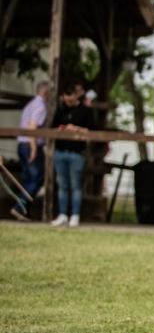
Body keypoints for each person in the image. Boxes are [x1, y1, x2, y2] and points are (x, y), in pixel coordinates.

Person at [51, 83, 96, 227]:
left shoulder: (85, 111)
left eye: (70, 100)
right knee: (62, 184)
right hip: (60, 151)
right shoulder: (61, 109)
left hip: (76, 152)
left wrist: (76, 129)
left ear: (76, 96)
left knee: (75, 185)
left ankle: (75, 215)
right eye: (66, 100)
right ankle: (62, 214)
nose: (68, 103)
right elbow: (53, 126)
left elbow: (93, 130)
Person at [12, 81, 51, 221]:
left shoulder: (31, 104)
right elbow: (32, 127)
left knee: (28, 179)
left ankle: (24, 210)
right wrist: (34, 148)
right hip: (30, 145)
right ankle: (20, 207)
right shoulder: (40, 106)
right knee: (37, 178)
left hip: (22, 144)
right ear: (47, 93)